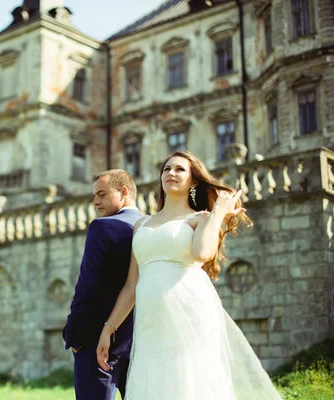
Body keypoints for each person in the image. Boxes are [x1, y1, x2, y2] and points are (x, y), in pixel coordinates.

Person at [96, 150, 282, 399]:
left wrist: (217, 213)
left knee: (190, 380)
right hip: (150, 319)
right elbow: (131, 285)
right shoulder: (142, 224)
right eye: (166, 169)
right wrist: (108, 329)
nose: (171, 173)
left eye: (179, 169)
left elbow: (202, 253)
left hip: (190, 308)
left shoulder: (201, 218)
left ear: (194, 180)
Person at [63, 169, 142, 400]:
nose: (96, 201)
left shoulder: (102, 227)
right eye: (94, 196)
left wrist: (74, 334)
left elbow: (88, 285)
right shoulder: (151, 227)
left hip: (97, 339)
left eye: (102, 194)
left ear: (124, 192)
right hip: (140, 338)